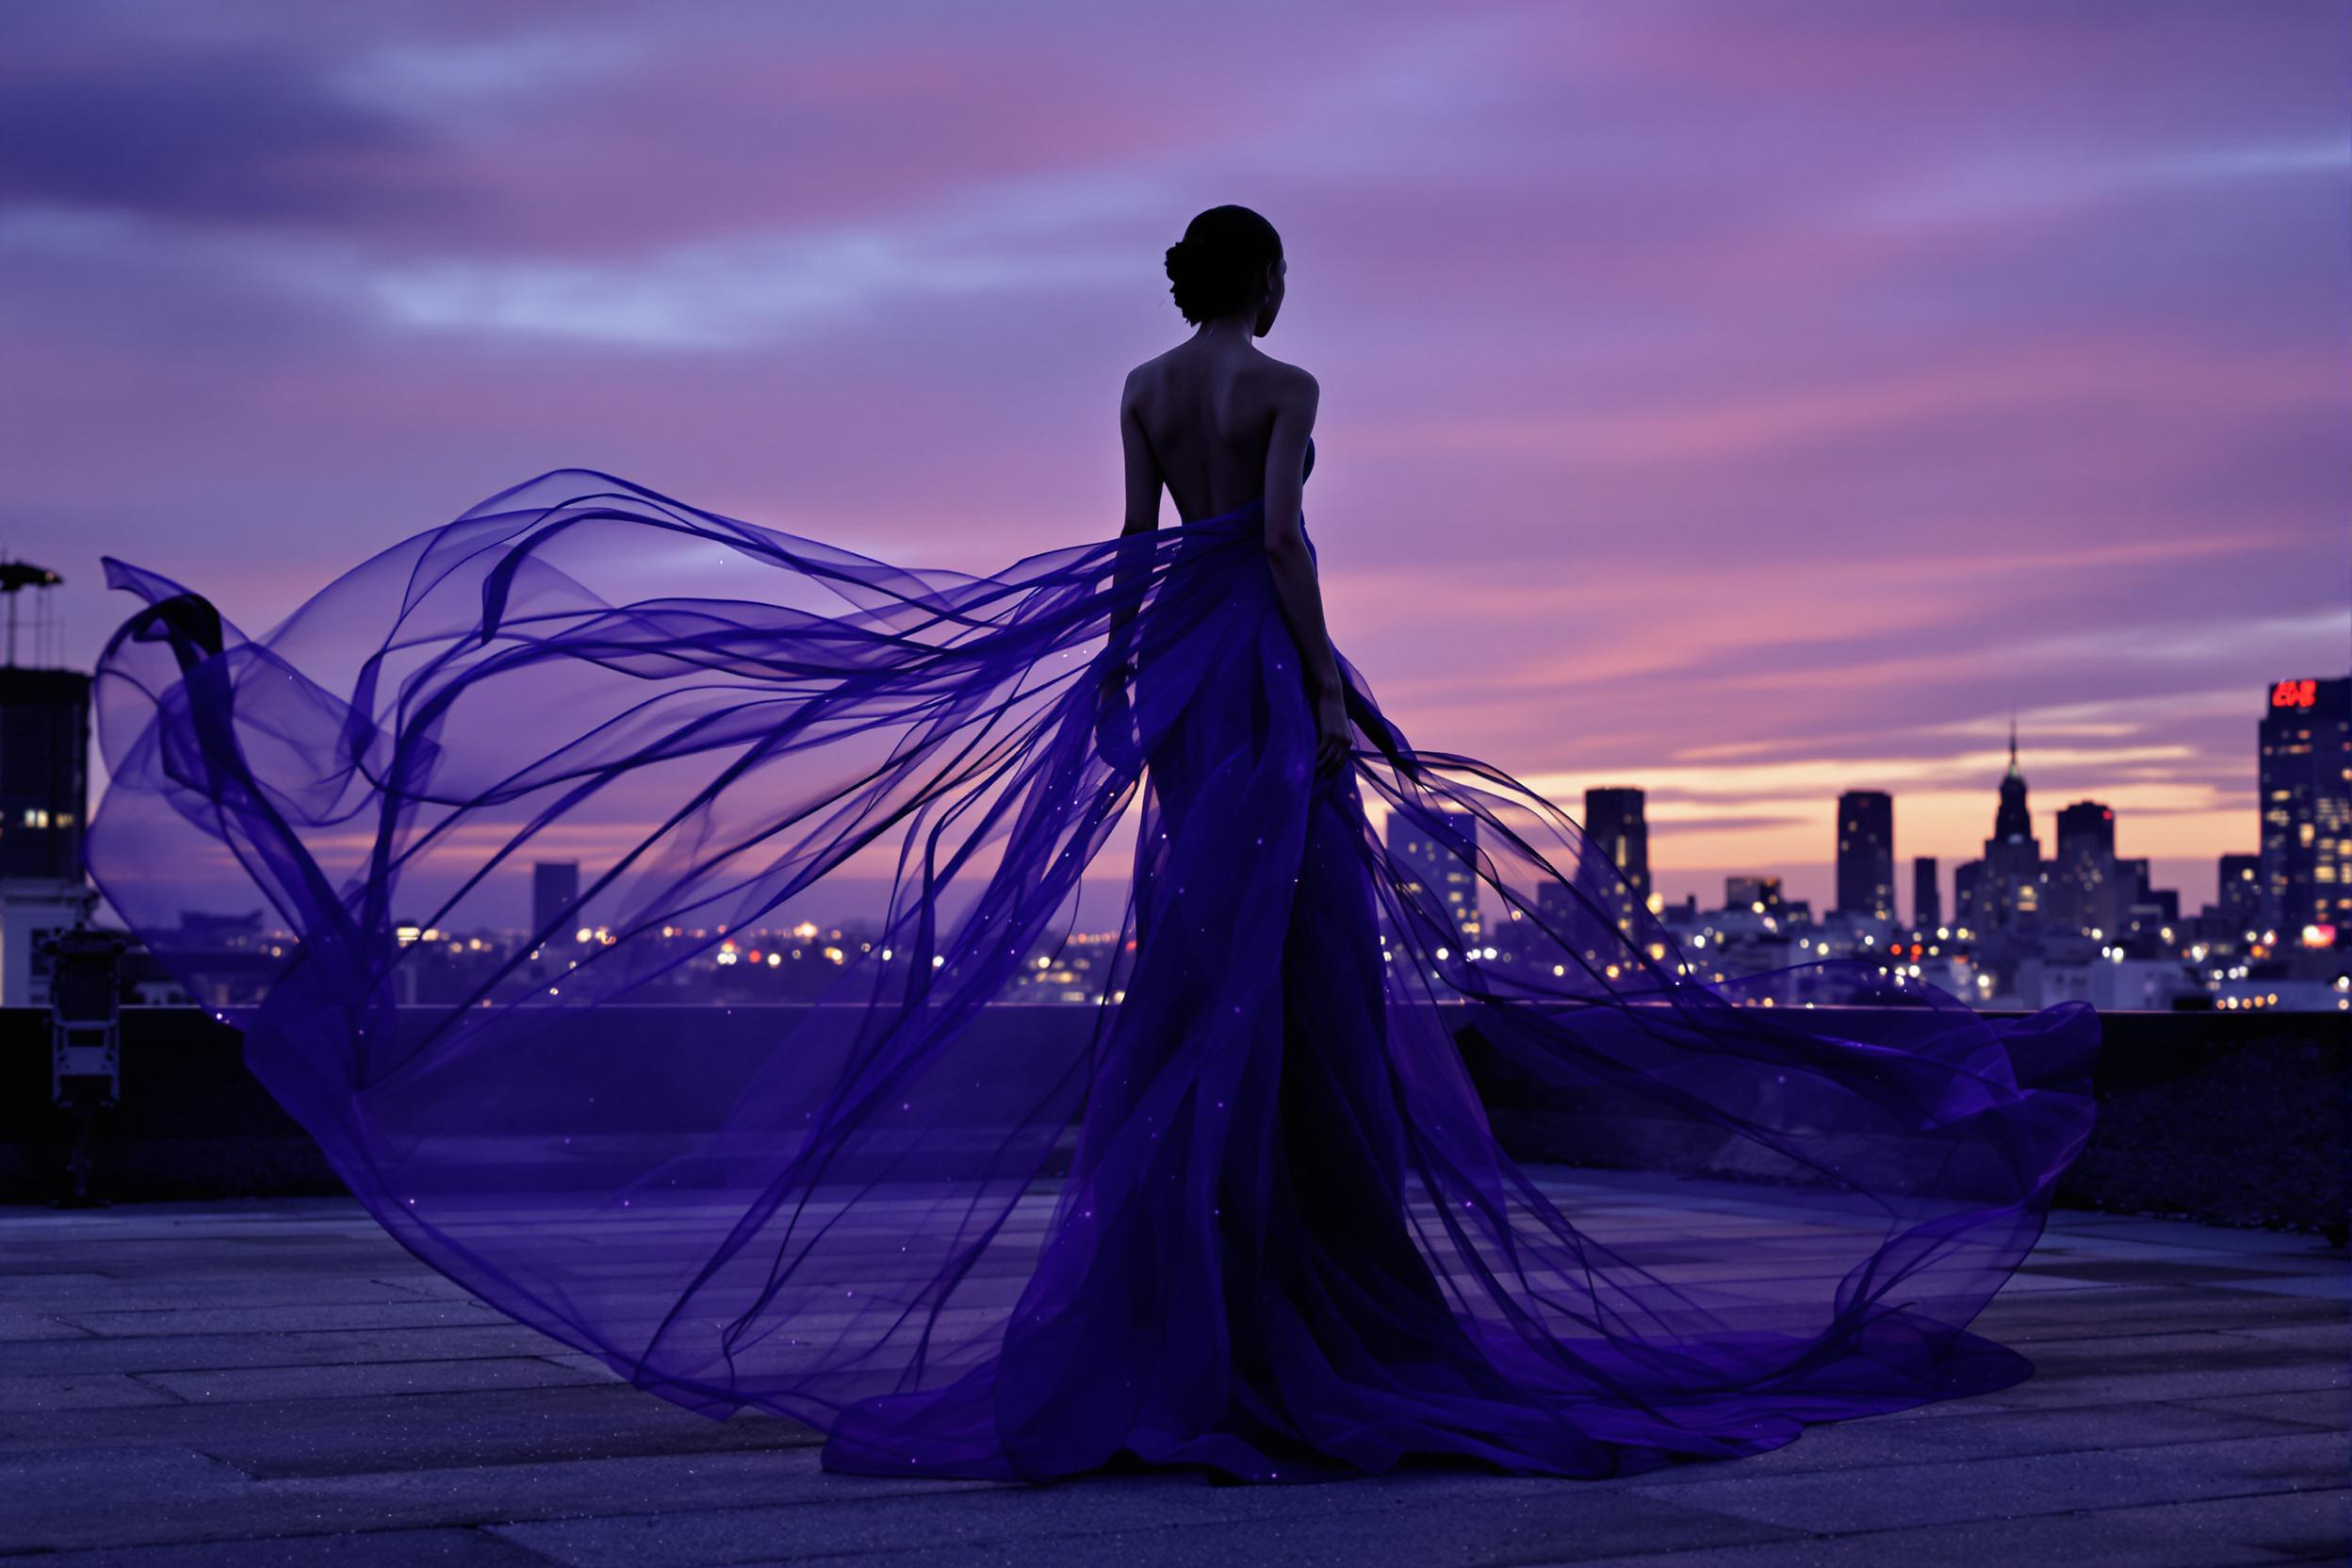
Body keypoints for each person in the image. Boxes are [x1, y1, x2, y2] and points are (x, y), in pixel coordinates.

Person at [85, 204, 2099, 1487]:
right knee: (1289, 980)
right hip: (1259, 677)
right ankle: (1306, 1289)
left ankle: (1201, 1292)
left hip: (1175, 681)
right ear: (1269, 290)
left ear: (1175, 301)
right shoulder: (1288, 387)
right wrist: (1332, 700)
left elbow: (1144, 558)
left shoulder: (1143, 386)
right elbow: (1284, 543)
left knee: (1197, 982)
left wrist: (1137, 699)